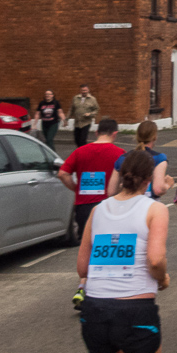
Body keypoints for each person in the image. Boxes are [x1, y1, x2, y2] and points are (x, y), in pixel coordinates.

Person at [77, 149, 169, 353]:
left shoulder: (98, 209)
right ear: (148, 180)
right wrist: (163, 278)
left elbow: (82, 266)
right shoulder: (155, 210)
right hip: (134, 311)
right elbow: (155, 260)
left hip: (94, 309)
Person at [58, 118, 125, 309]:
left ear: (96, 133)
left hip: (83, 207)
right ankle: (101, 291)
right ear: (115, 134)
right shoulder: (119, 154)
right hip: (109, 206)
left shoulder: (80, 151)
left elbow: (62, 173)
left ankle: (83, 285)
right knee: (108, 249)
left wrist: (76, 188)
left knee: (88, 247)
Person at [108, 120, 172, 200]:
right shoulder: (159, 158)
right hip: (149, 207)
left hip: (127, 204)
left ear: (137, 136)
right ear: (155, 137)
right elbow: (158, 190)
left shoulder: (123, 158)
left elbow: (111, 191)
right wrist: (167, 184)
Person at [71, 84, 101, 148]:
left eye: (85, 90)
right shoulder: (76, 98)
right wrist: (66, 119)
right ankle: (79, 151)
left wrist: (90, 114)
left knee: (82, 140)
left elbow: (96, 109)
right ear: (80, 91)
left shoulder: (92, 99)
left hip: (86, 122)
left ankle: (83, 153)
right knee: (76, 140)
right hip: (77, 122)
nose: (84, 91)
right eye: (82, 90)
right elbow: (71, 109)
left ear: (88, 90)